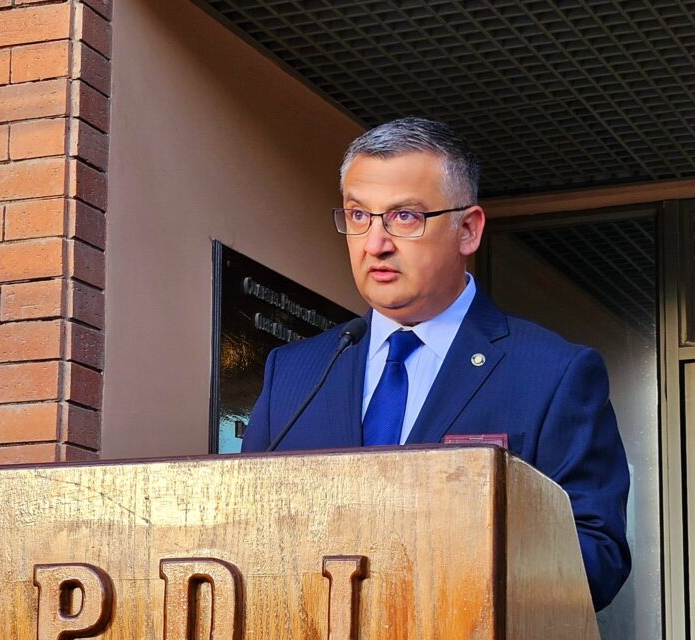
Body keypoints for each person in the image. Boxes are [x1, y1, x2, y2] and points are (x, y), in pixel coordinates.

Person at [241, 117, 630, 611]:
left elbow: (599, 556)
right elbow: (242, 531)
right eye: (359, 215)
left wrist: (453, 565)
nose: (375, 243)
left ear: (467, 230)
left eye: (404, 217)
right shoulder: (293, 374)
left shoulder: (553, 373)